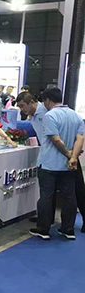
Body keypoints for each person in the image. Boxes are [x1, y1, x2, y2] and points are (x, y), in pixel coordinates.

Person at [17, 91, 85, 231]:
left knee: (77, 189)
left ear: (32, 102)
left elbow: (60, 134)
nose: (21, 109)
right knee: (50, 191)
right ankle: (47, 219)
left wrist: (72, 153)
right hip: (57, 154)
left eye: (23, 106)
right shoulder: (33, 116)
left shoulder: (47, 112)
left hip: (66, 153)